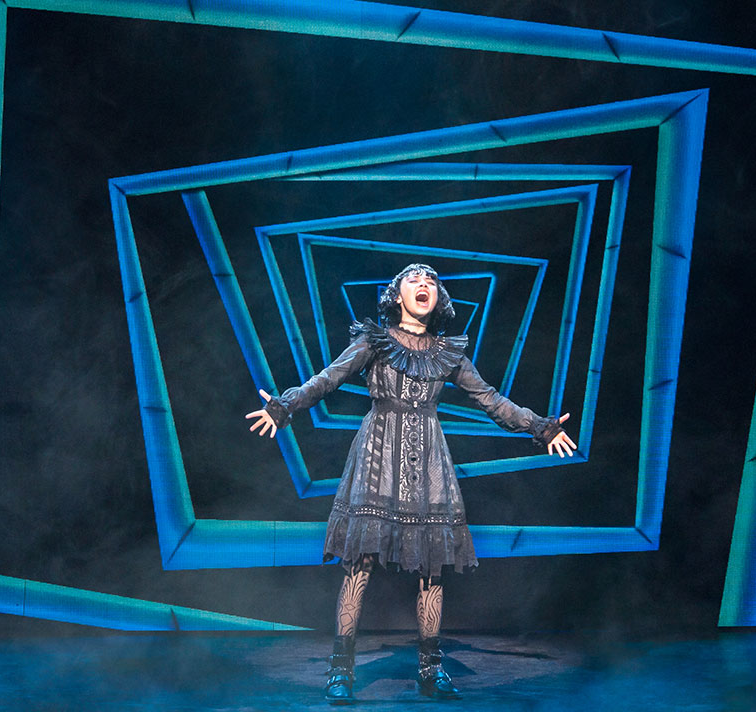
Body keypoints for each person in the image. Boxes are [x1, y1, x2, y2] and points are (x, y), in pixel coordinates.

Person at [245, 263, 576, 702]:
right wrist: (284, 406)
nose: (424, 285)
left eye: (431, 281)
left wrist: (543, 427)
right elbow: (329, 379)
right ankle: (341, 670)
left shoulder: (448, 351)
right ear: (397, 295)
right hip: (378, 456)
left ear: (438, 296)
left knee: (431, 568)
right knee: (359, 564)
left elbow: (490, 399)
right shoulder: (374, 340)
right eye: (414, 280)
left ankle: (431, 669)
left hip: (428, 464)